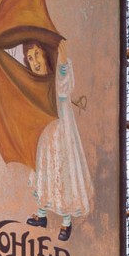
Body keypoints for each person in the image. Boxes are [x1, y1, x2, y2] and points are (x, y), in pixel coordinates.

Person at [28, 54, 91, 241]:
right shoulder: (35, 82)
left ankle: (66, 221)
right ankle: (41, 214)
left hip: (60, 136)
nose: (35, 61)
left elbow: (64, 87)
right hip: (43, 134)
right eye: (30, 58)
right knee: (42, 172)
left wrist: (63, 61)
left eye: (37, 54)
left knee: (61, 174)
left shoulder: (56, 76)